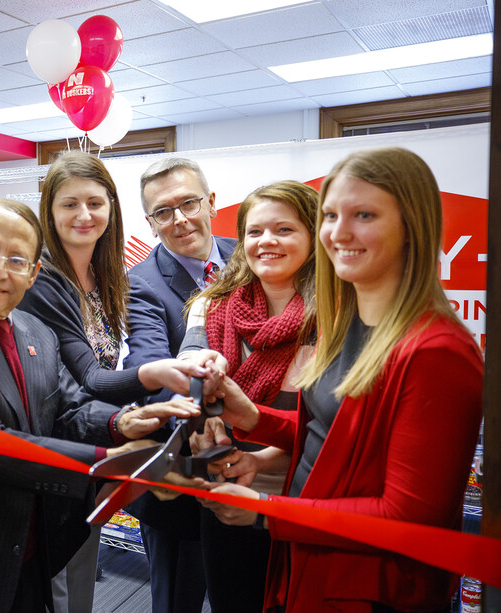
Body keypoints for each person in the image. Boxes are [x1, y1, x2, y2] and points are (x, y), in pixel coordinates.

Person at [204, 147, 483, 612]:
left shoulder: (438, 351)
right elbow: (341, 442)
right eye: (330, 215)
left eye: (365, 214)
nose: (339, 232)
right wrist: (256, 418)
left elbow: (408, 516)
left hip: (369, 588)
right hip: (311, 566)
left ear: (412, 227)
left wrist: (265, 513)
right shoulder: (350, 323)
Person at [0, 199, 201, 613]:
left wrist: (124, 421)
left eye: (17, 259)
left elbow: (69, 408)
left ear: (34, 272)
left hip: (34, 547)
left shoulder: (33, 328)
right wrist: (109, 460)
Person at [18, 151, 215, 613]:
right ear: (49, 210)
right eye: (69, 204)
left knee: (79, 581)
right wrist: (156, 378)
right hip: (61, 449)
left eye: (95, 202)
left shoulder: (109, 277)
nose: (84, 215)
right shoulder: (44, 279)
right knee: (58, 587)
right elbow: (87, 376)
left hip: (100, 444)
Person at [177, 180, 319, 612]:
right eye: (255, 232)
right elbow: (192, 374)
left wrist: (260, 461)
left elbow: (330, 433)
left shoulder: (338, 316)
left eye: (284, 230)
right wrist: (204, 412)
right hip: (224, 498)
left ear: (315, 237)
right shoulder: (212, 304)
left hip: (301, 505)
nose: (267, 242)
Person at [124, 157, 236, 613]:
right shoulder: (139, 285)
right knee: (177, 601)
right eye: (163, 212)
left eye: (188, 203)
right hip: (178, 476)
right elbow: (150, 368)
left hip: (252, 466)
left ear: (211, 203)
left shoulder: (246, 255)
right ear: (151, 224)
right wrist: (202, 401)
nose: (180, 220)